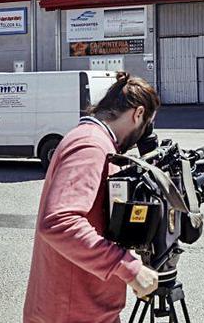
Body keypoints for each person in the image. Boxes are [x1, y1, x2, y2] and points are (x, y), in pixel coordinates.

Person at [24, 72, 161, 323]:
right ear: (138, 113)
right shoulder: (90, 145)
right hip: (72, 312)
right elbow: (59, 222)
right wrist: (128, 268)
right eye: (146, 125)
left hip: (85, 308)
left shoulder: (95, 140)